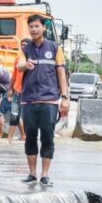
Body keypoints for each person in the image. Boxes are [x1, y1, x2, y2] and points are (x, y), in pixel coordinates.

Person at [17, 14, 69, 186]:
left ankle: (45, 175)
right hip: (29, 100)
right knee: (30, 137)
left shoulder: (55, 48)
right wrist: (25, 66)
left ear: (44, 28)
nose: (33, 30)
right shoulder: (25, 49)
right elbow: (19, 65)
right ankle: (32, 174)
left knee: (47, 137)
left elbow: (61, 74)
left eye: (37, 26)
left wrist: (65, 98)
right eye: (31, 27)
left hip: (49, 101)